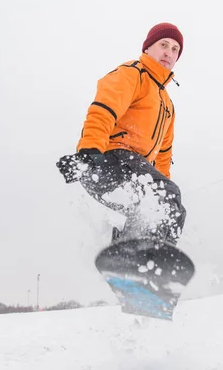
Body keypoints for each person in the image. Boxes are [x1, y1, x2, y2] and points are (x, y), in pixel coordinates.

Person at [57, 22, 187, 246]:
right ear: (148, 48)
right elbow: (104, 109)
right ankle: (146, 259)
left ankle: (124, 264)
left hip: (135, 171)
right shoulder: (133, 73)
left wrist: (163, 182)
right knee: (163, 197)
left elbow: (163, 156)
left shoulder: (167, 105)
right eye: (163, 45)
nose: (169, 52)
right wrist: (89, 150)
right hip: (108, 160)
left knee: (159, 207)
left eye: (175, 49)